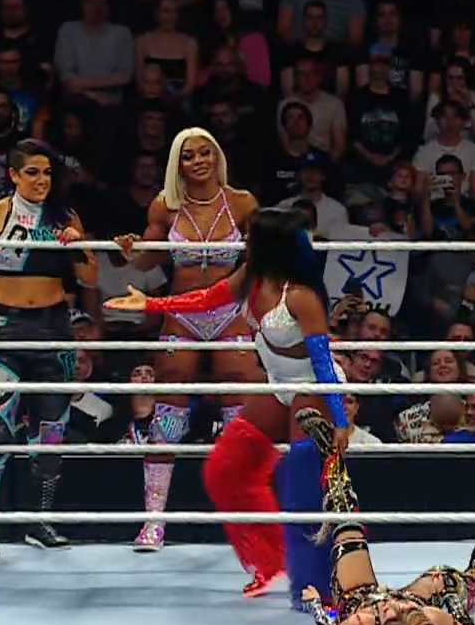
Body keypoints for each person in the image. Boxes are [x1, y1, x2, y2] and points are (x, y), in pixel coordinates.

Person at [106, 206, 354, 597]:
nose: (244, 241)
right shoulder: (250, 277)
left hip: (315, 389)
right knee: (226, 467)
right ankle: (270, 559)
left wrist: (339, 420)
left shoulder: (302, 297)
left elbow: (322, 363)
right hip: (279, 385)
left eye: (252, 236)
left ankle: (319, 584)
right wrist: (151, 305)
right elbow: (206, 299)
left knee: (302, 484)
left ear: (270, 244)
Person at [111, 127, 266, 558]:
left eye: (204, 153)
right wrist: (130, 250)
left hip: (229, 312)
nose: (198, 161)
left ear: (217, 157)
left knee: (240, 412)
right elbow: (148, 257)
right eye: (188, 155)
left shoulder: (242, 202)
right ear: (177, 164)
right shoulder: (165, 205)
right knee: (168, 412)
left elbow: (264, 253)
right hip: (181, 312)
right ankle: (153, 521)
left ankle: (248, 522)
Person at [0, 140, 99, 558]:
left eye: (47, 172)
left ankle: (39, 521)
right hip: (1, 328)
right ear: (13, 175)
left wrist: (75, 244)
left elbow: (90, 276)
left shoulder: (64, 216)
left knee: (50, 433)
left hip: (54, 328)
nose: (42, 180)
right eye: (32, 172)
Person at [288, 408, 475, 625]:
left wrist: (316, 607)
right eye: (402, 611)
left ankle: (330, 455)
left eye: (388, 616)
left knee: (345, 522)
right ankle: (474, 576)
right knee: (444, 578)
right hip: (417, 601)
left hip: (357, 597)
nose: (390, 605)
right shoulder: (431, 618)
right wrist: (451, 604)